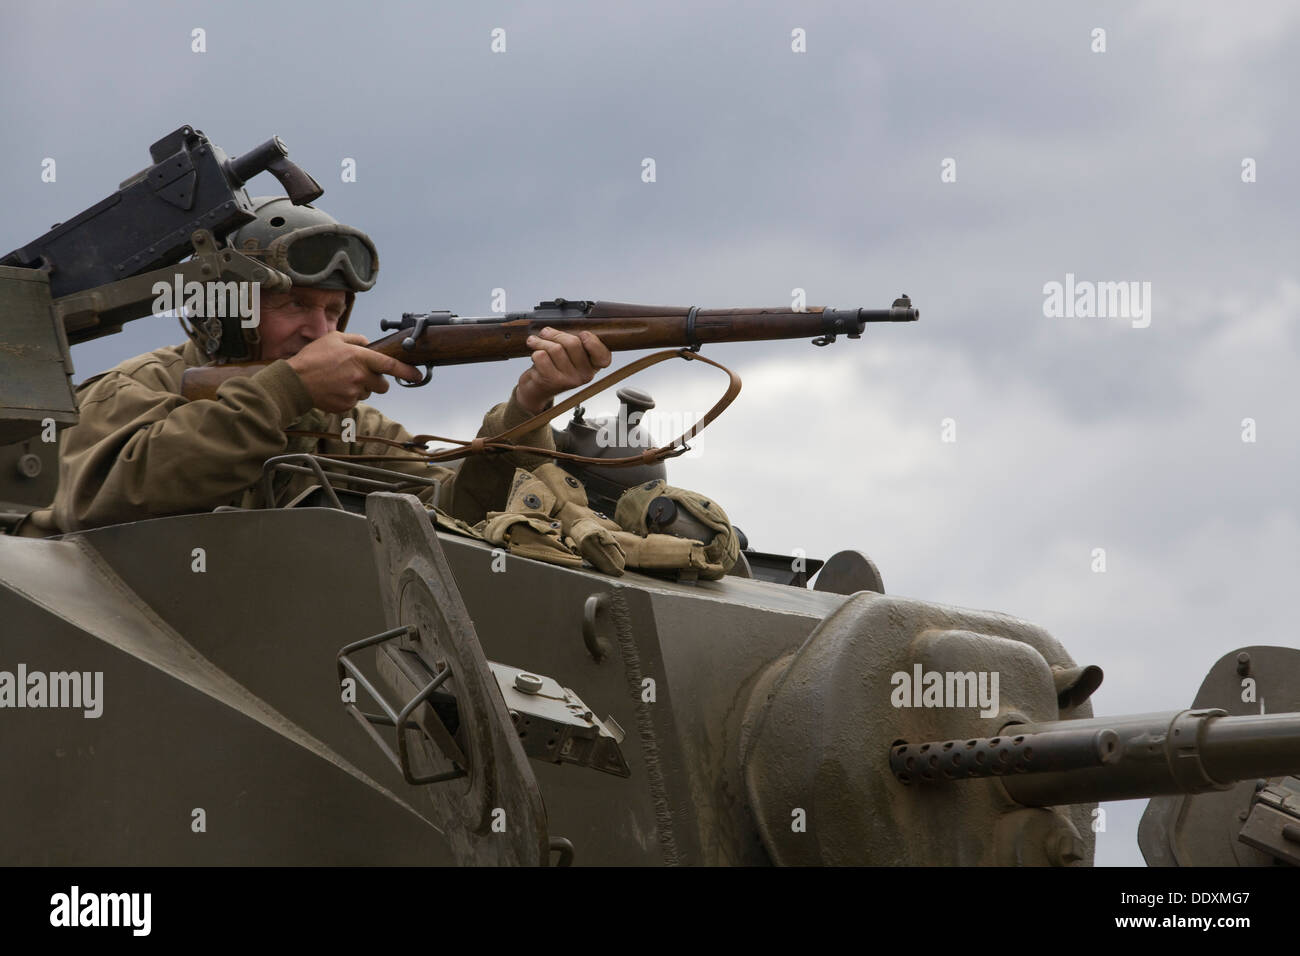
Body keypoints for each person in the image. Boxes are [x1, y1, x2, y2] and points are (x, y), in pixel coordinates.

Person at [23, 196, 611, 534]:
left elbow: (457, 512)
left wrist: (526, 408)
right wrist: (286, 390)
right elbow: (115, 494)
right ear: (224, 313)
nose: (320, 331)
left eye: (334, 311)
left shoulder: (343, 421)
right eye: (294, 304)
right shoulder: (135, 389)